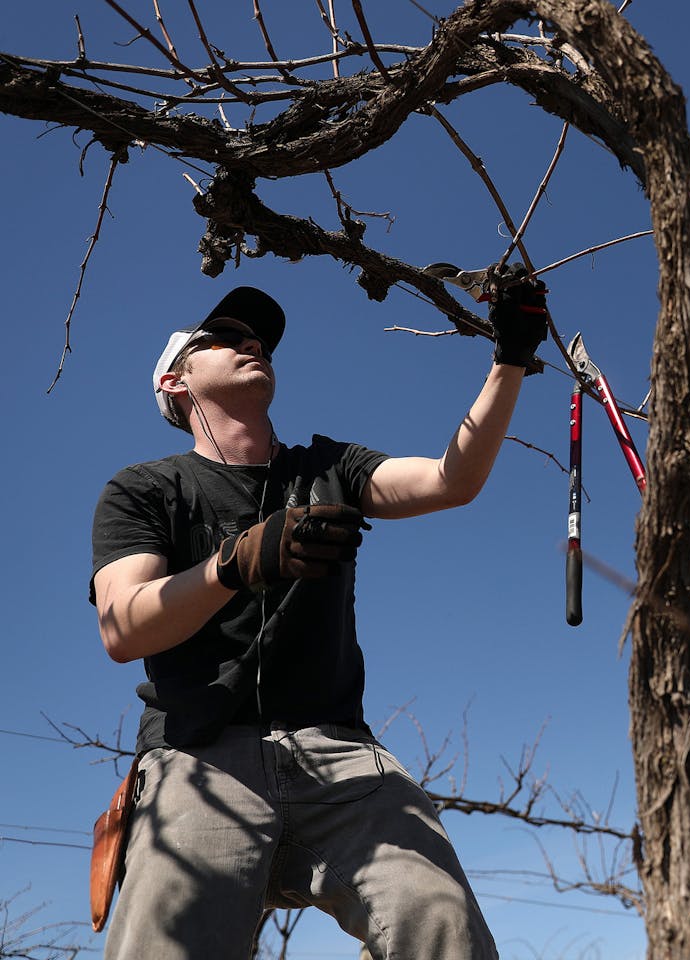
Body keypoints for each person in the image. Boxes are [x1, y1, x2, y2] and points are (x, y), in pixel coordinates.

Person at [89, 269, 548, 960]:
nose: (253, 345)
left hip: (340, 754)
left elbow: (452, 480)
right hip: (199, 756)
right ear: (175, 384)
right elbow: (123, 628)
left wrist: (510, 356)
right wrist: (234, 563)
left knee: (440, 921)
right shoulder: (145, 489)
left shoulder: (329, 466)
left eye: (261, 340)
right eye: (226, 337)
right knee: (167, 941)